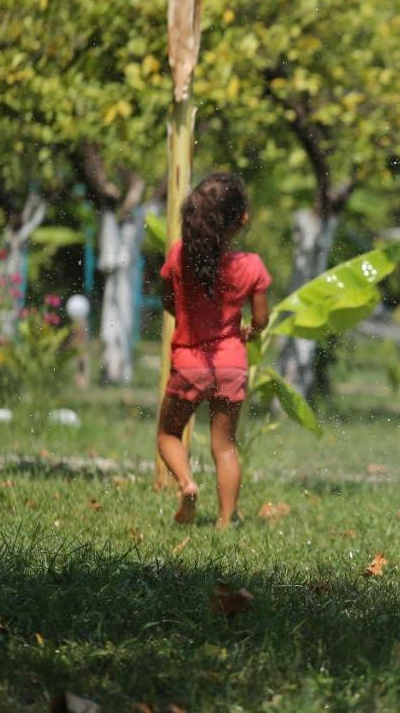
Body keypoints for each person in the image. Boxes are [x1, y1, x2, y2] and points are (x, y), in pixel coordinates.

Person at [157, 172, 271, 530]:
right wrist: (250, 330)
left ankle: (188, 483)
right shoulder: (251, 266)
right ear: (242, 220)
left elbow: (168, 300)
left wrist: (188, 318)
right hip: (231, 364)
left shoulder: (179, 256)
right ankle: (225, 521)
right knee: (225, 446)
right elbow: (261, 319)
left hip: (189, 362)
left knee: (168, 433)